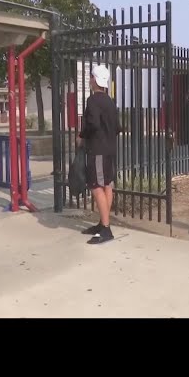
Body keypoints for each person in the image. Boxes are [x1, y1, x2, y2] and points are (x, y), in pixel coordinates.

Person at [76, 64, 122, 245]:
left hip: (98, 151)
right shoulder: (110, 101)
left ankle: (106, 230)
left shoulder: (93, 100)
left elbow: (93, 124)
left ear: (95, 80)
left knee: (96, 186)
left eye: (91, 77)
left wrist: (81, 136)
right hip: (110, 149)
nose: (89, 80)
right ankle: (103, 224)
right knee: (107, 185)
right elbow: (117, 127)